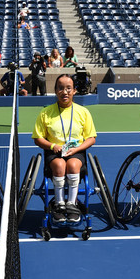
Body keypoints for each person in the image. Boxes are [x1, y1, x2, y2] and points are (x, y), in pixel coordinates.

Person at [32, 74, 96, 223]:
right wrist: (53, 146)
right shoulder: (45, 112)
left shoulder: (83, 112)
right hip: (54, 151)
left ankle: (72, 204)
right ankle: (59, 204)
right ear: (55, 91)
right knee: (60, 165)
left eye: (68, 88)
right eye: (60, 88)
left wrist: (77, 148)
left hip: (76, 151)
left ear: (74, 91)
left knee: (73, 165)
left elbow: (91, 138)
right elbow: (38, 138)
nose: (64, 91)